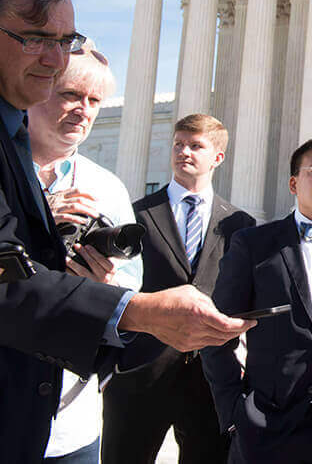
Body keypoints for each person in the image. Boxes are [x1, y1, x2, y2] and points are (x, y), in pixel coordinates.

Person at [0, 0, 253, 462]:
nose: (52, 60)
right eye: (34, 37)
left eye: (64, 42)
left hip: (63, 416)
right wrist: (133, 310)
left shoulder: (90, 180)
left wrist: (117, 300)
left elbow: (124, 292)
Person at [202, 136, 312, 464]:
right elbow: (216, 333)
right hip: (266, 428)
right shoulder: (253, 244)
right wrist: (234, 411)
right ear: (293, 182)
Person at [102, 113, 256, 464]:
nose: (183, 151)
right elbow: (112, 284)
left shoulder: (240, 225)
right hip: (139, 373)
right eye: (178, 144)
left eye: (195, 145)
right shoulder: (134, 215)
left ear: (217, 157)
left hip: (211, 381)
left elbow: (244, 298)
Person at [27, 43, 143, 463]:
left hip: (70, 419)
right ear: (35, 90)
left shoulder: (107, 186)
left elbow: (132, 284)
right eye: (70, 95)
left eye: (94, 101)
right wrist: (40, 219)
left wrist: (106, 288)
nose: (84, 110)